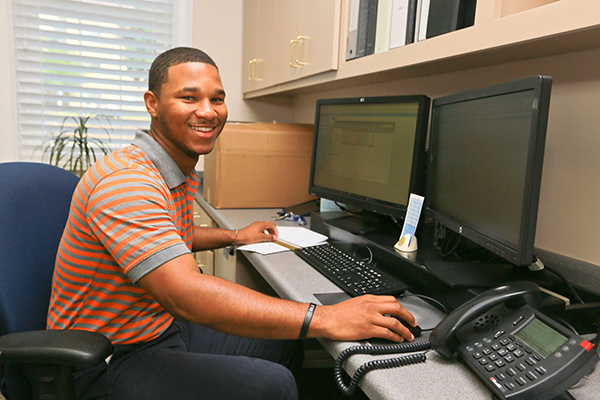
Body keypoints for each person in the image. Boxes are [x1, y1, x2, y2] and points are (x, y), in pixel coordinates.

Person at [47, 47, 419, 400]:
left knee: (284, 343)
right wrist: (325, 316)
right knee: (272, 385)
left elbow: (172, 237)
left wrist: (235, 235)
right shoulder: (128, 183)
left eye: (217, 99)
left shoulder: (173, 166)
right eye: (189, 98)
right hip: (106, 359)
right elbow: (187, 295)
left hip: (156, 327)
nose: (207, 112)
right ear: (152, 104)